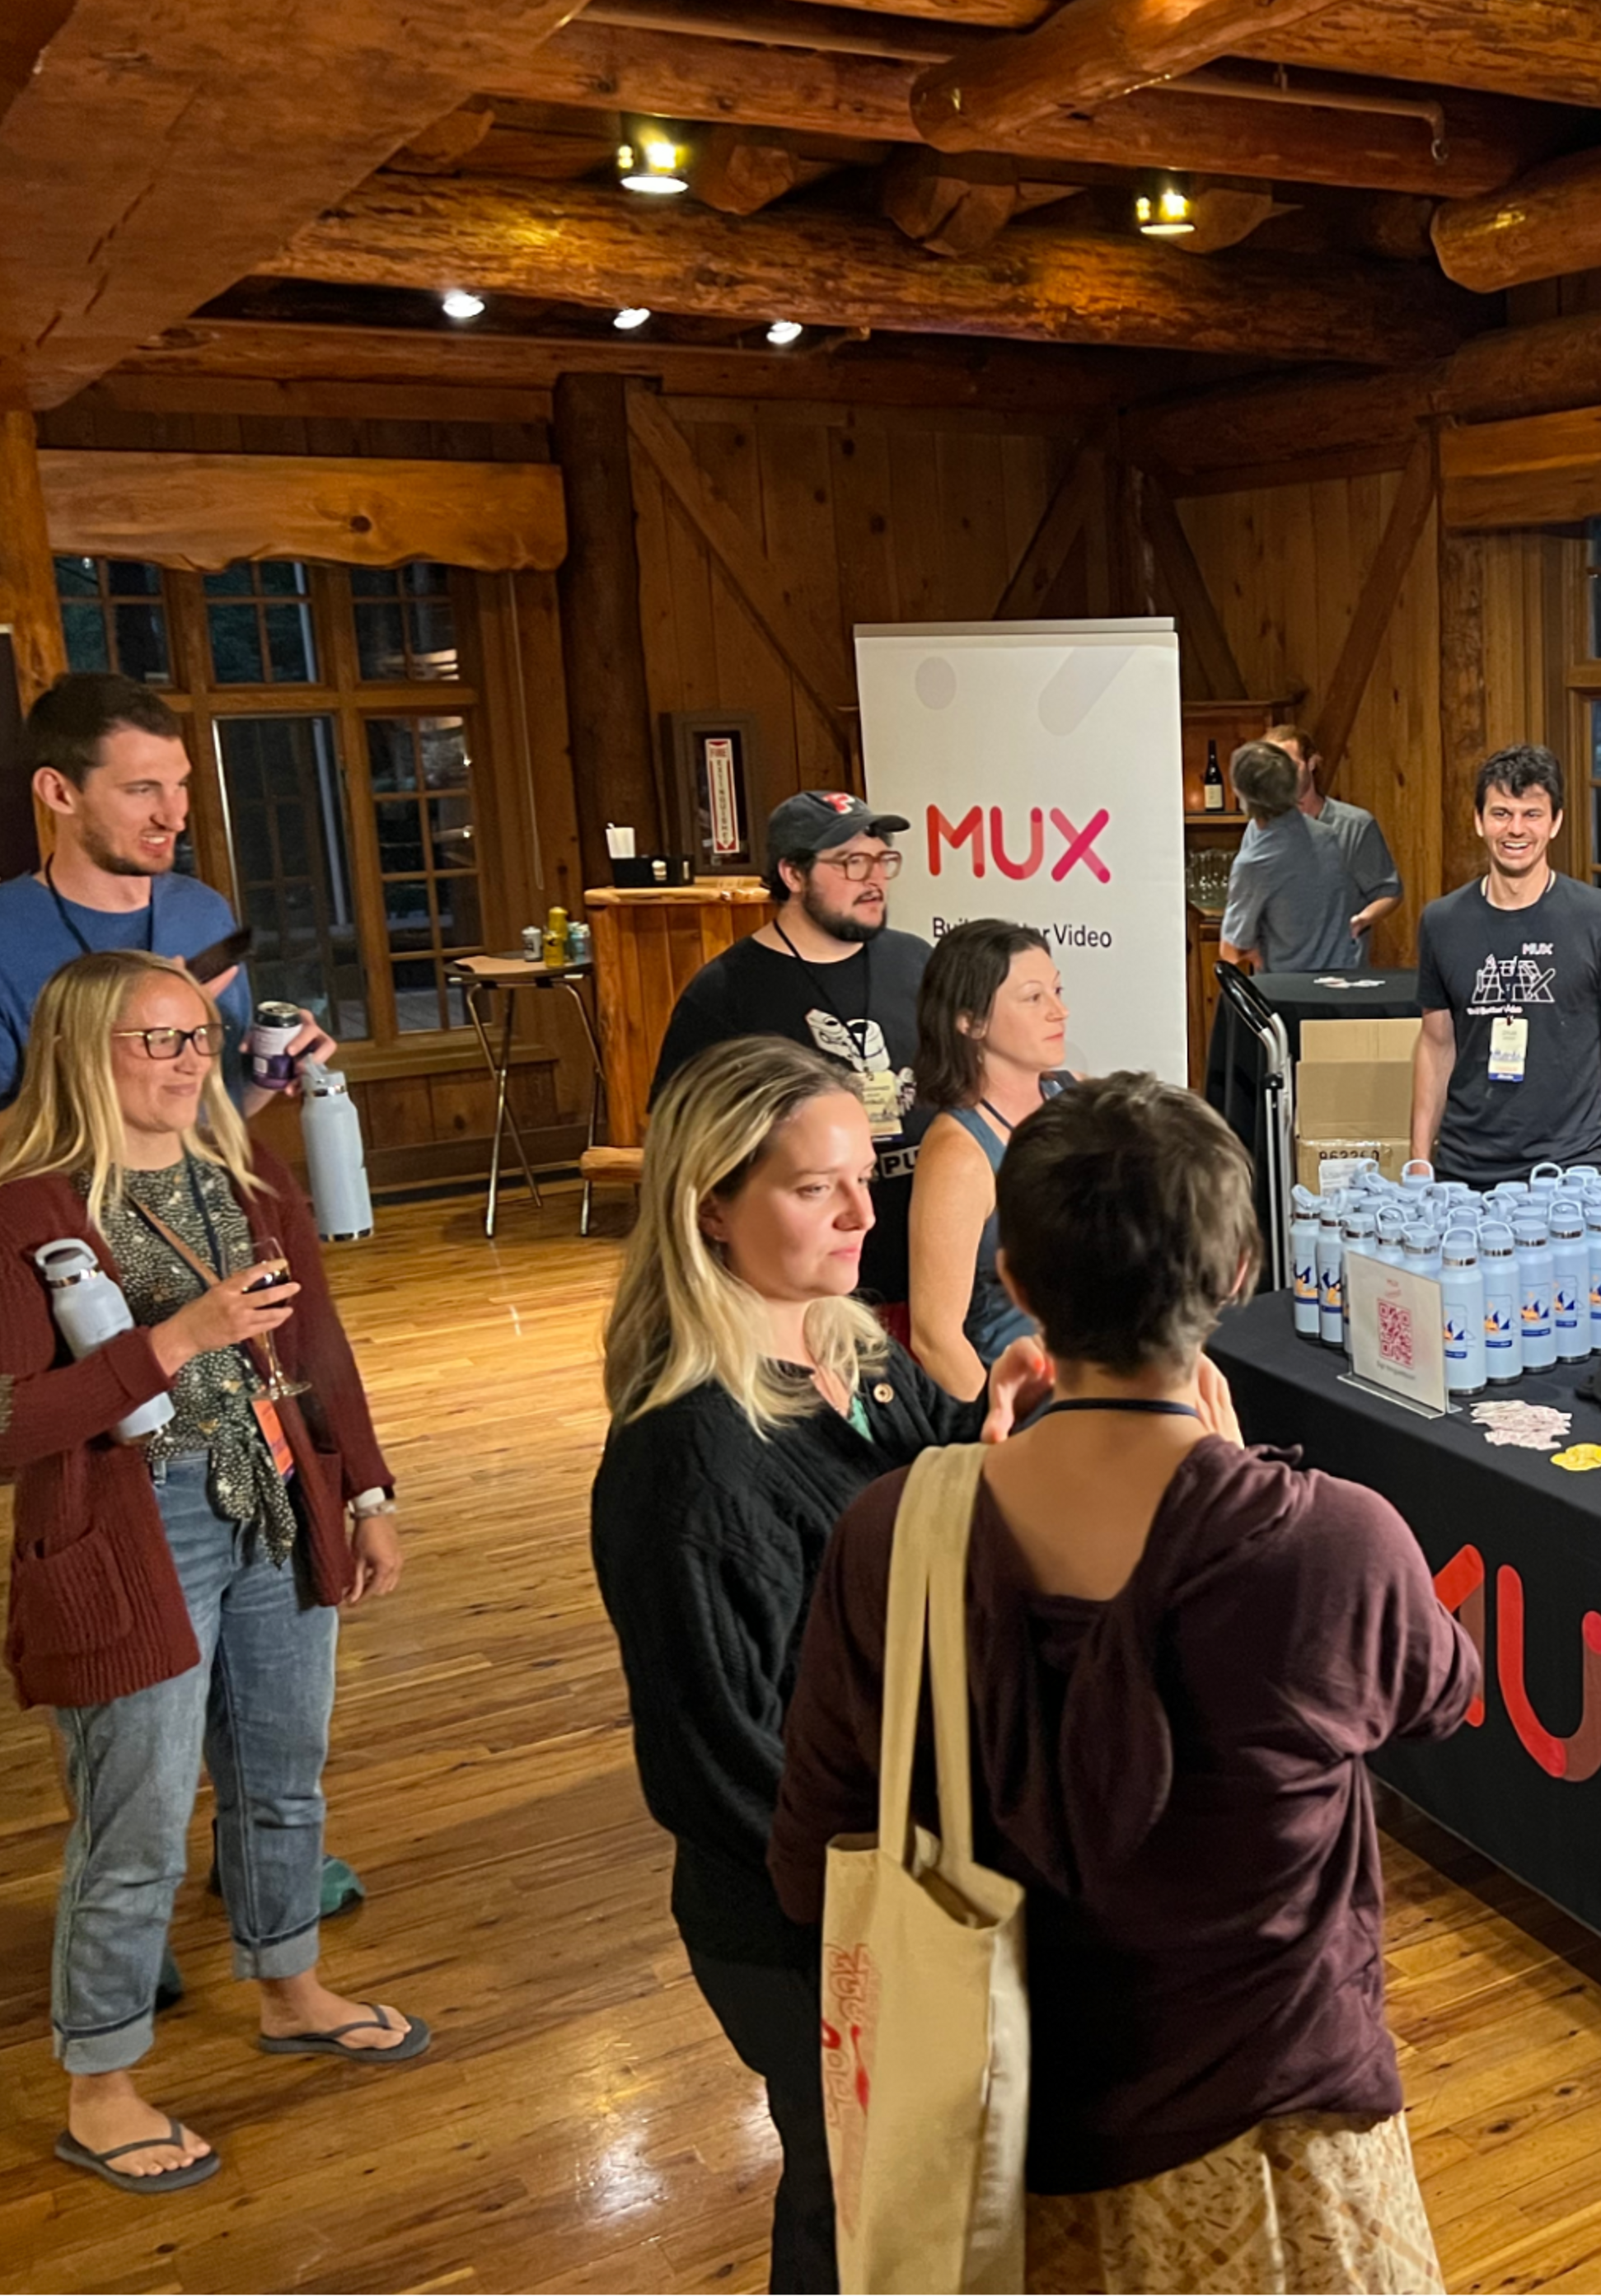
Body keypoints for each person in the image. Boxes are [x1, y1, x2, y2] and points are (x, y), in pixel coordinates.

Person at [773, 1073, 1475, 2290]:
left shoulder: (897, 1534)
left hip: (1000, 2157)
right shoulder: (1330, 1540)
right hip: (1278, 2146)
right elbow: (1442, 1693)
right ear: (1240, 1267)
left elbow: (810, 1860)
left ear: (1017, 1285)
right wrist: (1237, 1461)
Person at [590, 1035, 1051, 2296]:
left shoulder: (846, 1347)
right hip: (804, 1916)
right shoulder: (687, 1464)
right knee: (861, 2204)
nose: (864, 1213)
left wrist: (988, 1420)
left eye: (866, 1177)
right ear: (714, 1210)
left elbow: (919, 1491)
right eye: (817, 1188)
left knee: (914, 2191)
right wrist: (878, 1892)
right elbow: (714, 1766)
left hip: (899, 1867)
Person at [0, 951, 414, 2193]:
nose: (190, 1060)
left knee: (282, 1775)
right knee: (137, 1822)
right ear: (81, 1054)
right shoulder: (22, 1210)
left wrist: (365, 1487)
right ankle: (99, 2082)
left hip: (276, 1499)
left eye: (197, 1038)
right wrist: (173, 1341)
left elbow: (317, 1340)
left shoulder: (246, 1175)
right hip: (128, 1532)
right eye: (156, 1041)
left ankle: (288, 1981)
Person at [0, 674, 330, 1203]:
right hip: (77, 1253)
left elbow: (209, 1112)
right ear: (59, 791)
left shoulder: (203, 912)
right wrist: (105, 1049)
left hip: (214, 1224)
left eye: (179, 784)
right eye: (142, 790)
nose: (175, 815)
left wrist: (272, 1067)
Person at [651, 792, 933, 1338]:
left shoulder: (917, 961)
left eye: (883, 860)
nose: (874, 877)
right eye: (852, 862)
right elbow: (680, 1156)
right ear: (793, 874)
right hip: (800, 1302)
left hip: (927, 1274)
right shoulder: (725, 995)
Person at [1409, 745, 1601, 1190]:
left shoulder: (1599, 917)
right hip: (1464, 1170)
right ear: (1478, 821)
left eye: (1532, 814)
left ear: (1556, 822)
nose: (1516, 829)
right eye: (1501, 813)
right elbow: (1435, 1044)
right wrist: (1420, 1159)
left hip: (1570, 1170)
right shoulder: (1442, 922)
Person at [906, 919, 1073, 1404]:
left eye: (1057, 990)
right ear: (971, 1021)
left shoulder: (1073, 1094)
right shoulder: (959, 1156)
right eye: (1032, 998)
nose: (1059, 1011)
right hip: (1025, 1402)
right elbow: (935, 1339)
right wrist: (1012, 1433)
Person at [1219, 740, 1365, 975]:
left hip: (1287, 995)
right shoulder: (1327, 836)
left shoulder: (1255, 863)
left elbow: (1232, 950)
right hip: (1341, 985)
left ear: (1242, 793)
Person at [1264, 720, 1401, 952]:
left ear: (1312, 763)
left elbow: (1388, 892)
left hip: (1338, 969)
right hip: (1277, 972)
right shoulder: (1262, 828)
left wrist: (1360, 921)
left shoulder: (1355, 826)